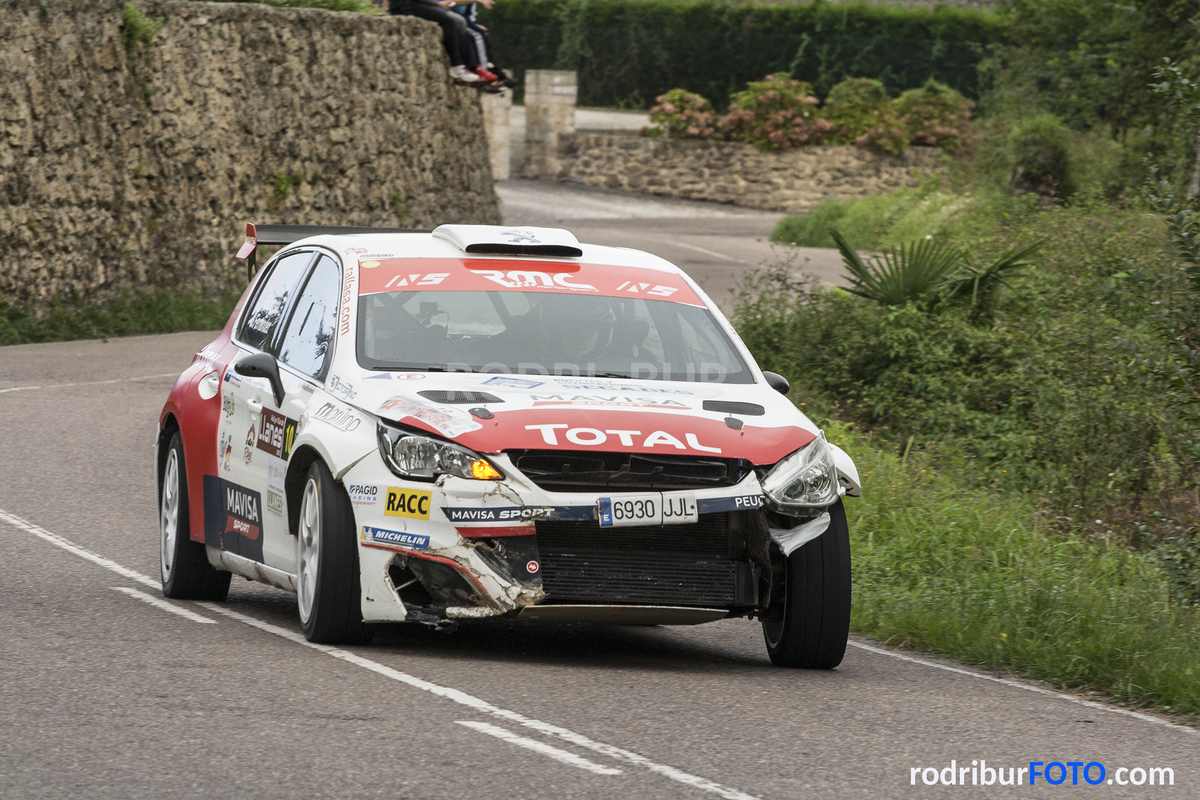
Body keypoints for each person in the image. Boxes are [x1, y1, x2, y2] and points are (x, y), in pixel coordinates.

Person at [388, 0, 479, 84]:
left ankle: (462, 65)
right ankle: (457, 66)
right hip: (405, 7)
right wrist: (407, 13)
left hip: (414, 4)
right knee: (448, 22)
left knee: (453, 21)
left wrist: (438, 4)